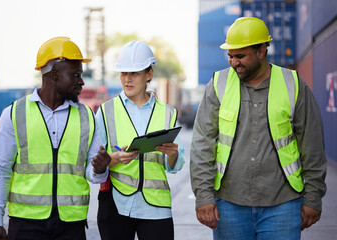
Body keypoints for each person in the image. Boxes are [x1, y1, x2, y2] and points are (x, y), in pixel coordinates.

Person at [190, 17, 327, 239]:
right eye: (230, 56)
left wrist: (313, 197)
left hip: (283, 204)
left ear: (262, 51)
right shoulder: (218, 85)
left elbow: (312, 145)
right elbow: (202, 145)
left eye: (241, 56)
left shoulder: (293, 85)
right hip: (229, 204)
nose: (234, 62)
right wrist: (203, 196)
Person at [0, 36, 111, 240]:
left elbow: (92, 172)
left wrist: (100, 169)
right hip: (26, 225)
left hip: (71, 226)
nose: (81, 81)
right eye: (75, 74)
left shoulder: (87, 117)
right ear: (54, 74)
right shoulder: (15, 113)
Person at [95, 40, 185, 240]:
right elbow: (93, 163)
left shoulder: (167, 113)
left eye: (134, 73)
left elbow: (174, 166)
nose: (127, 79)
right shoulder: (106, 111)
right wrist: (115, 158)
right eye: (123, 73)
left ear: (149, 74)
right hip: (116, 204)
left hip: (156, 207)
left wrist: (172, 154)